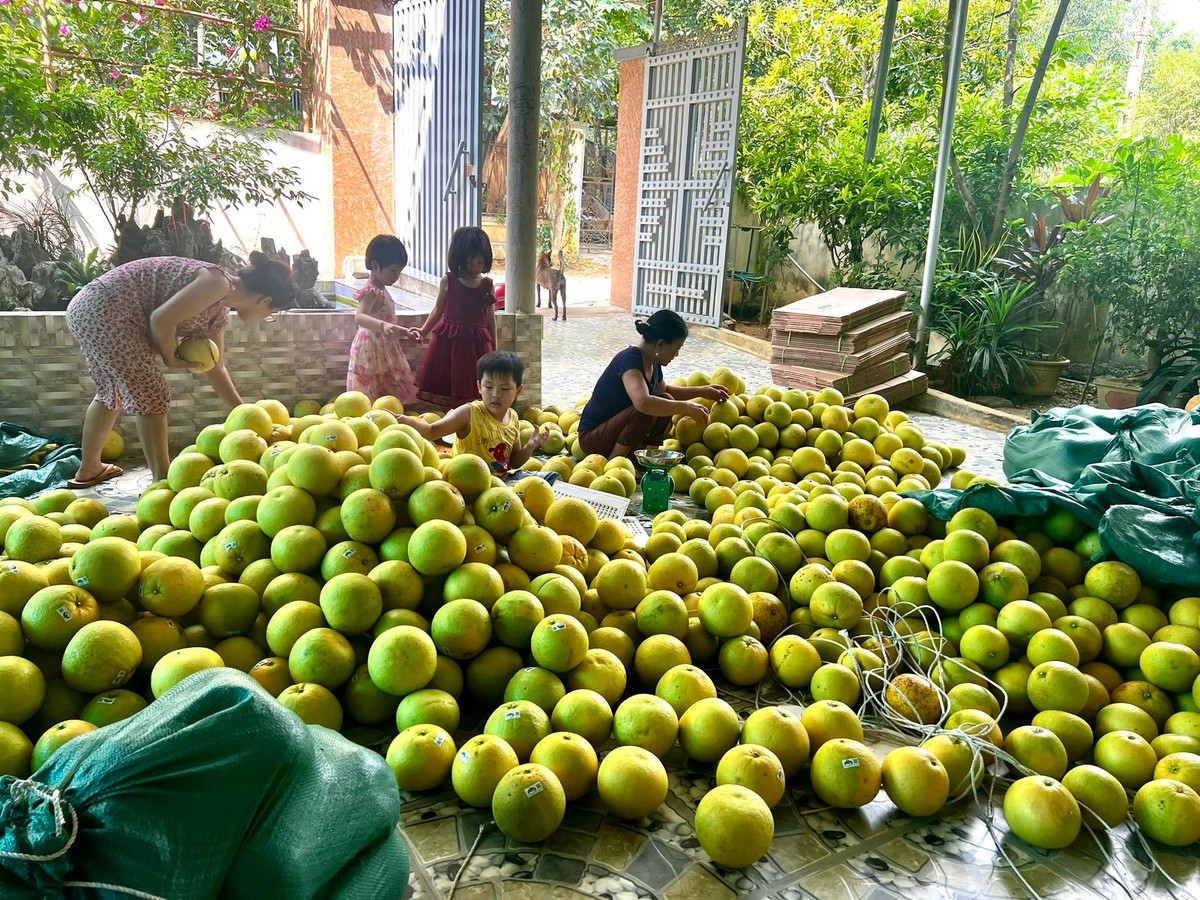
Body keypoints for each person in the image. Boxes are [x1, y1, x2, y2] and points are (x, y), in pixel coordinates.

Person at [66, 252, 296, 487]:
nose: (267, 317)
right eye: (272, 314)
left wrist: (244, 413)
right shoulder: (217, 284)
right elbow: (160, 320)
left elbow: (215, 367)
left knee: (110, 392)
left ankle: (90, 468)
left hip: (93, 309)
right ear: (265, 301)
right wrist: (170, 358)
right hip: (105, 309)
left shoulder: (219, 308)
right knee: (153, 395)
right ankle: (162, 482)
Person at [579, 309, 728, 459]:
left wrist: (702, 391)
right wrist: (686, 407)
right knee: (646, 409)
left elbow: (665, 390)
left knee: (666, 399)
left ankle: (646, 459)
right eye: (677, 348)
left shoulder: (653, 362)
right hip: (593, 438)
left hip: (617, 432)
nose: (677, 354)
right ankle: (615, 463)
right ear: (661, 344)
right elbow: (643, 403)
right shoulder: (629, 360)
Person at [398, 351, 545, 475]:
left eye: (505, 389)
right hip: (464, 484)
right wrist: (407, 422)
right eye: (488, 386)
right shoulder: (469, 413)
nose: (495, 394)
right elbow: (432, 431)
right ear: (479, 386)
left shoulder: (512, 418)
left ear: (518, 391)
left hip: (496, 490)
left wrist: (531, 445)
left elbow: (514, 462)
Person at [414, 226, 497, 408]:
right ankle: (450, 425)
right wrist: (423, 330)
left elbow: (490, 319)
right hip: (449, 346)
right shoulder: (448, 281)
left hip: (478, 346)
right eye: (470, 262)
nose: (476, 267)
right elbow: (437, 310)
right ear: (460, 258)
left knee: (477, 388)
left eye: (481, 262)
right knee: (450, 387)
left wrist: (495, 349)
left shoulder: (487, 285)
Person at [347, 234, 419, 403]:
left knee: (386, 385)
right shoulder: (372, 291)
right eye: (393, 270)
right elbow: (360, 317)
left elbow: (387, 323)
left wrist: (405, 332)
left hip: (383, 346)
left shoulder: (380, 288)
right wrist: (383, 325)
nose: (396, 276)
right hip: (372, 348)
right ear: (375, 265)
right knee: (374, 385)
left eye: (400, 271)